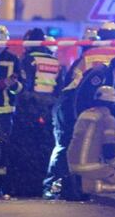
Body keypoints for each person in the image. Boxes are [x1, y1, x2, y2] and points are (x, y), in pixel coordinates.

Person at [42, 28, 101, 199]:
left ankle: (68, 186)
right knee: (64, 144)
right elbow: (71, 88)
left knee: (69, 146)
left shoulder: (84, 60)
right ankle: (52, 186)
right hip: (68, 105)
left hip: (72, 104)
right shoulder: (85, 61)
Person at [10, 28, 63, 196]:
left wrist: (13, 87)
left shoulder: (28, 60)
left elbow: (24, 86)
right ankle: (43, 185)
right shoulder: (55, 61)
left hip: (30, 110)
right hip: (50, 110)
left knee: (26, 149)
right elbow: (59, 89)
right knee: (46, 148)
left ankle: (26, 188)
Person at [67, 86, 115, 194]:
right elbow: (109, 151)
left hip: (72, 163)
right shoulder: (108, 118)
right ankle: (88, 186)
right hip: (90, 167)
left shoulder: (85, 113)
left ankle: (84, 184)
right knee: (114, 177)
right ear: (113, 103)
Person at [0, 25, 23, 191]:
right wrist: (2, 84)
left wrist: (13, 85)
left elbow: (20, 88)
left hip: (5, 112)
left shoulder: (13, 59)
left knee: (3, 149)